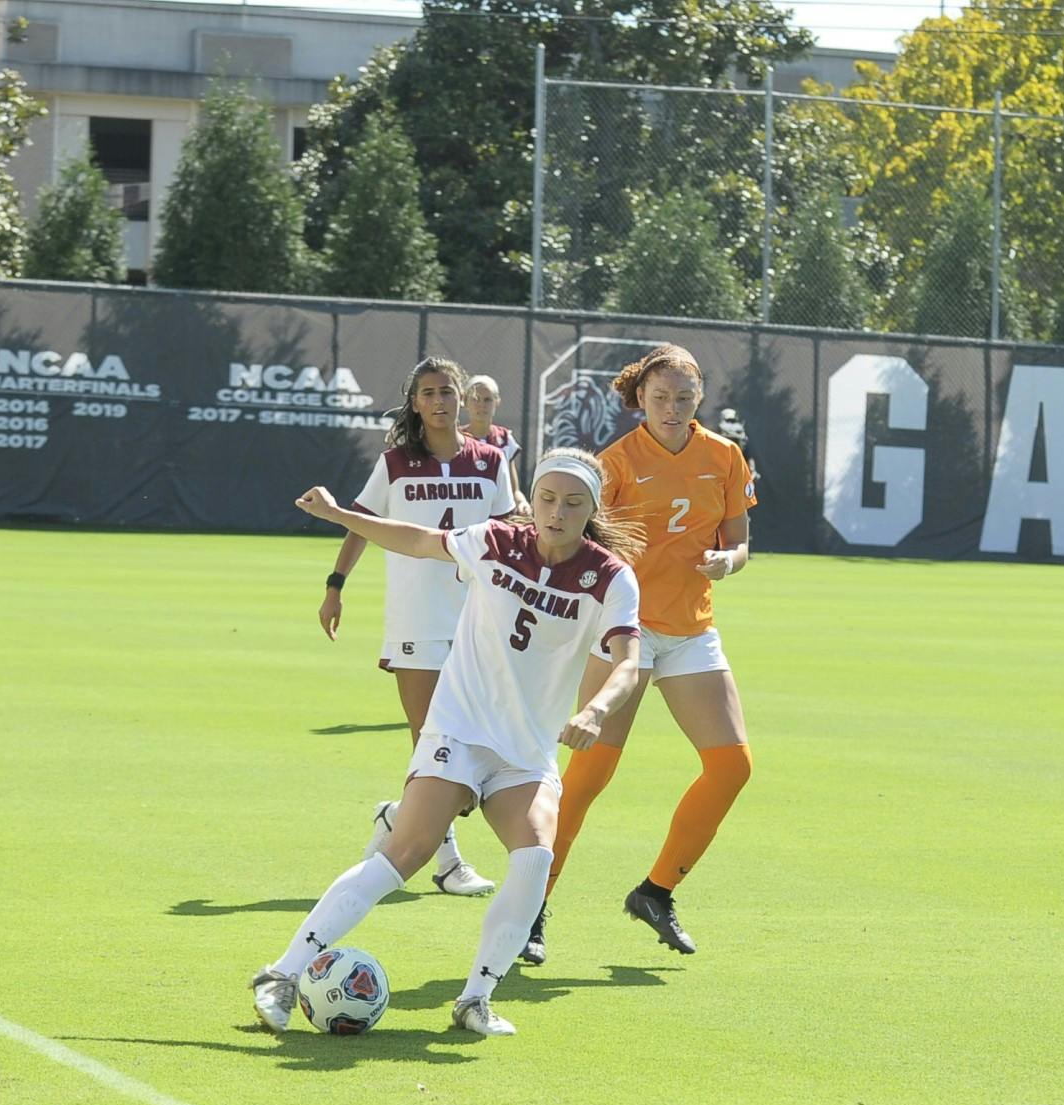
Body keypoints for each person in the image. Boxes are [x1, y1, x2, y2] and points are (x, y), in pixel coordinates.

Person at [252, 450, 647, 1037]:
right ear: (532, 498)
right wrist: (342, 516)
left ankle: (475, 1000)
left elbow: (630, 662)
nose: (556, 512)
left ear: (593, 509)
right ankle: (281, 974)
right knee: (405, 854)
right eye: (546, 498)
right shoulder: (493, 541)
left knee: (536, 856)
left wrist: (595, 709)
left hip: (524, 750)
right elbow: (414, 539)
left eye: (572, 503)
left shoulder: (610, 576)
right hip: (459, 729)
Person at [526, 343, 756, 965]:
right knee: (589, 774)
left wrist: (725, 563)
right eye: (661, 398)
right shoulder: (617, 462)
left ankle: (656, 891)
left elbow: (739, 544)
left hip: (691, 630)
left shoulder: (725, 456)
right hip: (626, 630)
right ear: (641, 398)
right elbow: (576, 537)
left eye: (684, 398)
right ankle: (531, 908)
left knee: (732, 766)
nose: (673, 409)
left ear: (700, 397)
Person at [320, 357, 515, 896]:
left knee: (475, 740)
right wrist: (335, 586)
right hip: (416, 620)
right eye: (427, 393)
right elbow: (362, 523)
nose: (439, 401)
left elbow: (511, 534)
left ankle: (398, 818)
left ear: (462, 397)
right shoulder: (396, 463)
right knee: (430, 743)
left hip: (479, 621)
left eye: (447, 391)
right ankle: (448, 861)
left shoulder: (493, 461)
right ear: (414, 403)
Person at [463, 374, 526, 513]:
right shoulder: (456, 438)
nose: (481, 405)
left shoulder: (505, 439)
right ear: (465, 401)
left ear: (497, 401)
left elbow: (514, 490)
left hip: (499, 515)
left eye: (487, 399)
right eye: (475, 399)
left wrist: (522, 502)